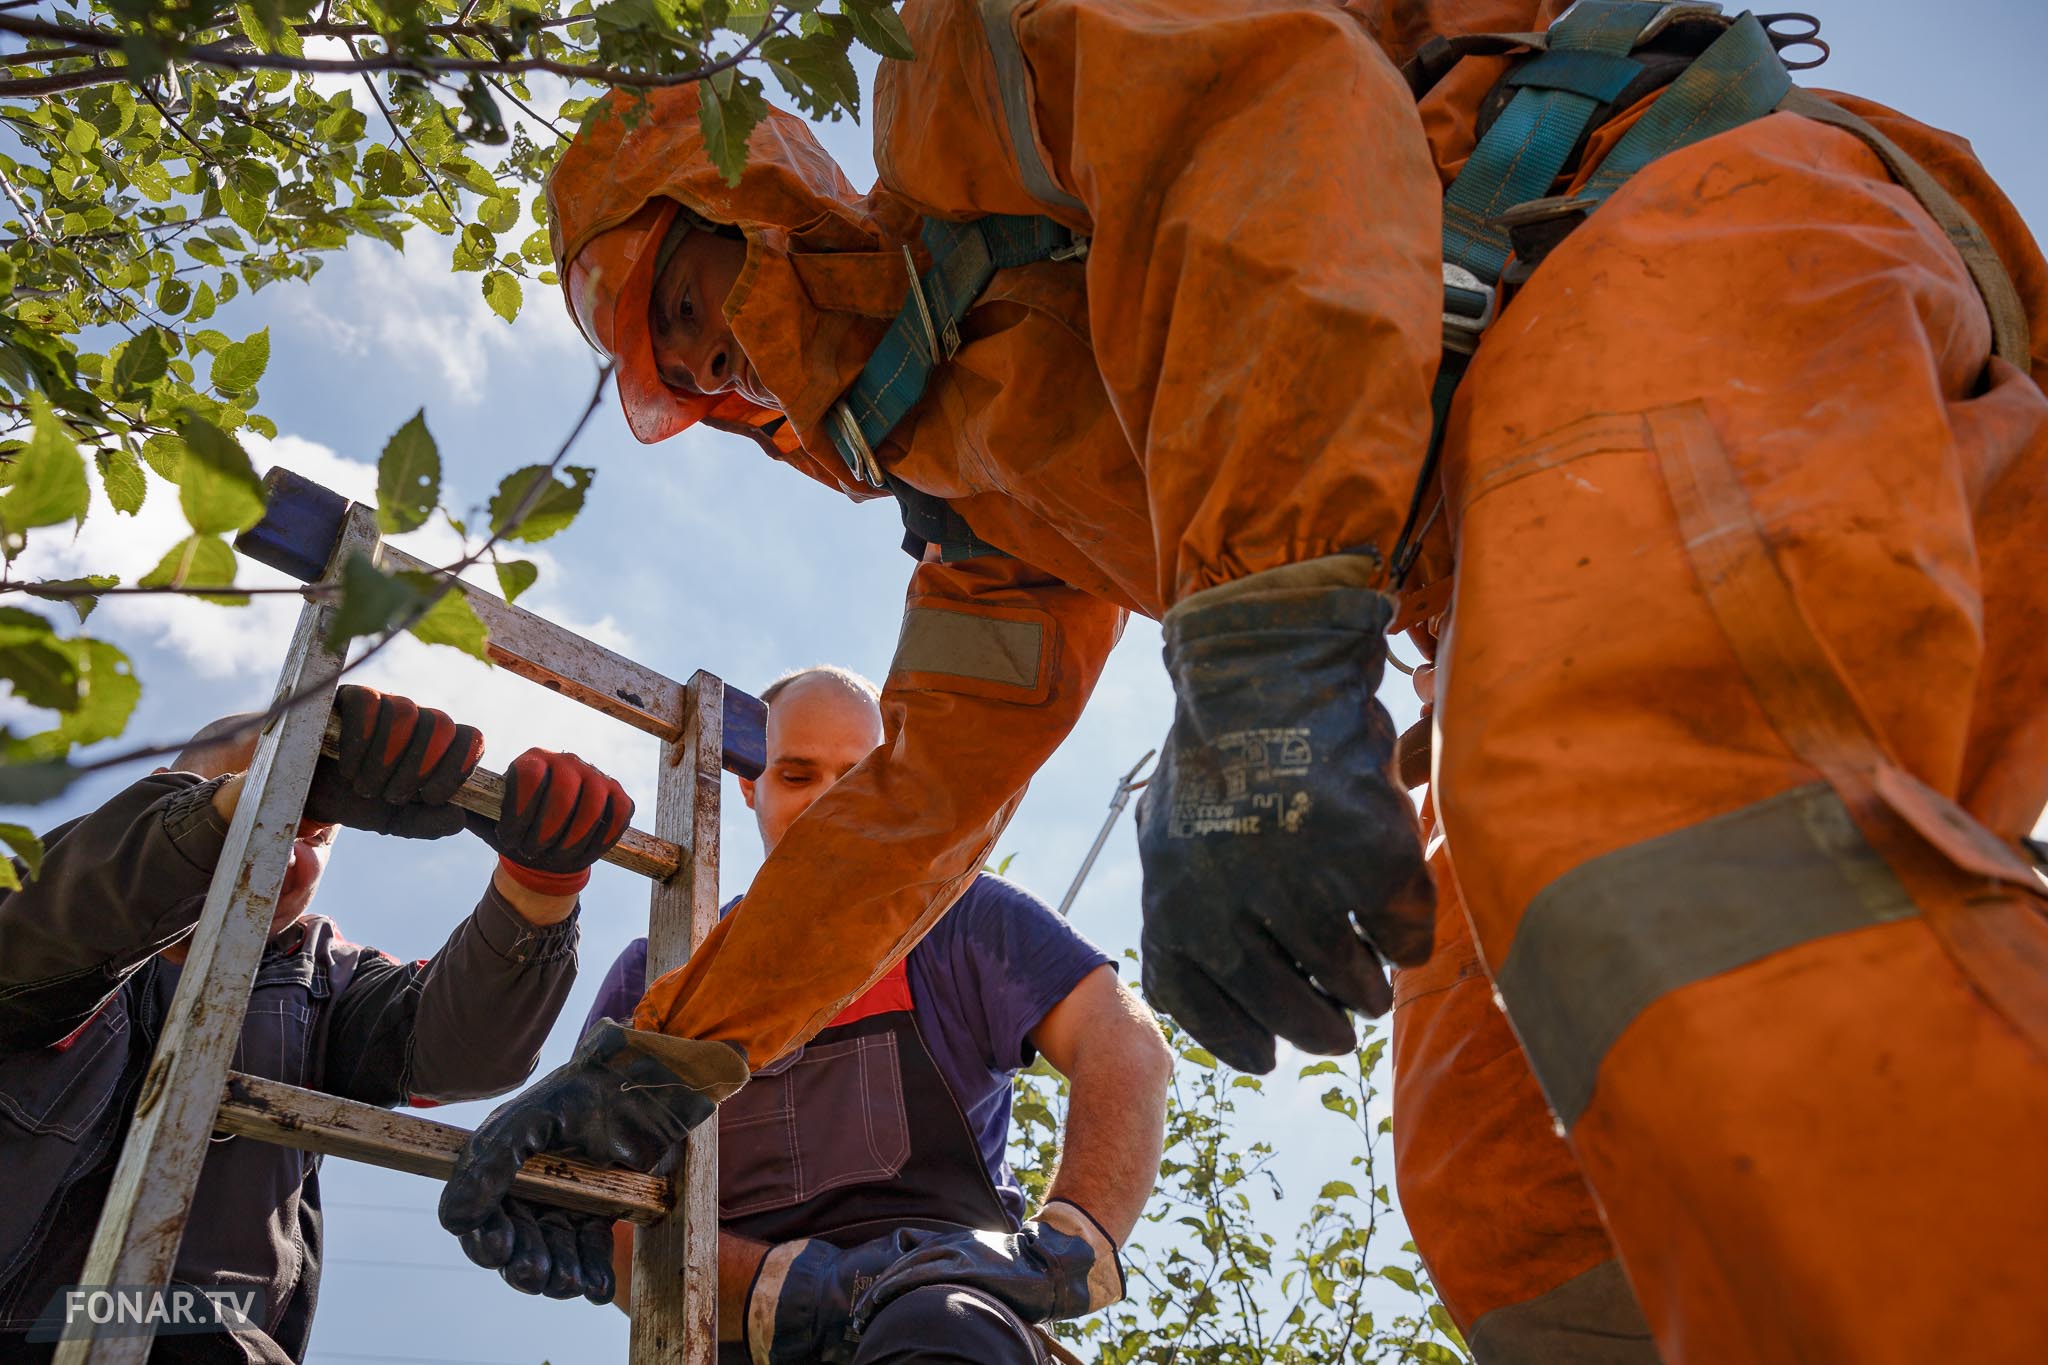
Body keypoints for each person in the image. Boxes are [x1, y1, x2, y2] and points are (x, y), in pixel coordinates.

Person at [442, 3, 2048, 1361]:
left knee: (1642, 828)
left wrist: (1266, 648)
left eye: (671, 298)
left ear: (747, 199)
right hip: (1524, 527)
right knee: (1499, 1159)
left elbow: (1278, 107)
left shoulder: (960, 82)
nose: (697, 364)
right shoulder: (992, 496)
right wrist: (658, 1064)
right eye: (653, 370)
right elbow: (916, 800)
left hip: (1676, 238)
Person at [0, 686, 634, 1363]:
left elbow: (458, 1052)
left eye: (318, 833)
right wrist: (236, 806)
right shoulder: (46, 892)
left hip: (207, 1340)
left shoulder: (322, 975)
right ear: (174, 791)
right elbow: (44, 933)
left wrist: (535, 892)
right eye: (282, 811)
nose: (295, 850)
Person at [570, 666, 1170, 1363]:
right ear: (748, 784)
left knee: (939, 1325)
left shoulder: (960, 917)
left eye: (855, 779)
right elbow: (602, 1206)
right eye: (797, 775)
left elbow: (1125, 1043)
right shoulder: (661, 970)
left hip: (953, 1329)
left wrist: (1070, 1240)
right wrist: (799, 1288)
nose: (828, 805)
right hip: (742, 1336)